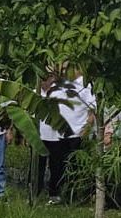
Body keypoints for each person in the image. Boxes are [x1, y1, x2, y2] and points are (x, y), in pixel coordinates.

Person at [37, 70, 95, 203]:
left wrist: (86, 129)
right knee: (60, 166)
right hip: (61, 133)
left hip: (78, 132)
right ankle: (58, 194)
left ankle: (75, 196)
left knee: (75, 167)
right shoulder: (60, 84)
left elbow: (92, 109)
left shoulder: (85, 84)